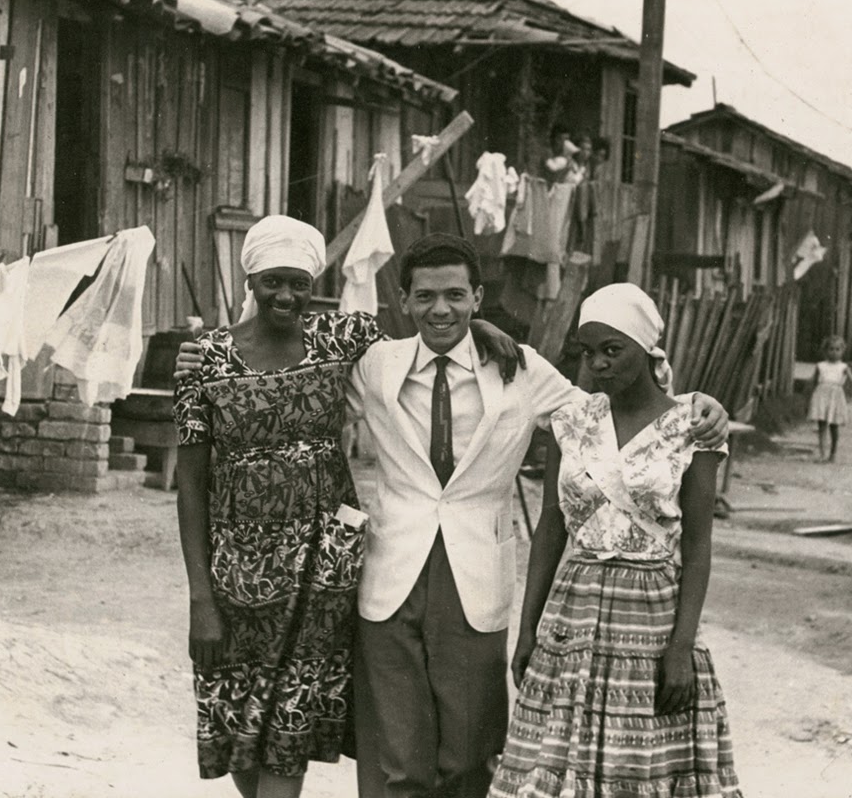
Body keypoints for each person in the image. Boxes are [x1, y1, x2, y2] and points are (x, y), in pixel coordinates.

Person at [174, 233, 730, 798]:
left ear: (477, 297)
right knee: (395, 761)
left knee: (468, 758)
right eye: (426, 297)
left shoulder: (524, 371)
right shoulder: (374, 364)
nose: (441, 309)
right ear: (406, 301)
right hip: (388, 575)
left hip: (476, 576)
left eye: (456, 296)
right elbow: (282, 371)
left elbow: (610, 415)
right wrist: (205, 354)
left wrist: (696, 408)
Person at [171, 218, 520, 797]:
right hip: (236, 574)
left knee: (292, 724)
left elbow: (428, 333)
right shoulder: (203, 361)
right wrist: (200, 597)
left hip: (321, 572)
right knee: (234, 723)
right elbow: (189, 486)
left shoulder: (341, 339)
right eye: (273, 282)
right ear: (251, 279)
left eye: (300, 284)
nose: (286, 296)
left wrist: (476, 324)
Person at [489, 283, 743, 798]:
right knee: (560, 758)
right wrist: (527, 629)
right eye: (588, 353)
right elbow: (550, 528)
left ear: (647, 352)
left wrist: (681, 648)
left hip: (650, 616)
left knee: (639, 761)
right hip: (572, 615)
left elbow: (697, 550)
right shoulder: (571, 423)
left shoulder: (691, 429)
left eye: (613, 350)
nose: (599, 365)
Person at [806, 335, 852, 461]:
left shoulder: (843, 367)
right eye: (831, 349)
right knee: (822, 425)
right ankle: (822, 454)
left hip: (835, 397)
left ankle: (833, 453)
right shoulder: (821, 366)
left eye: (837, 349)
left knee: (834, 426)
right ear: (825, 350)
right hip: (822, 396)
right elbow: (812, 381)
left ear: (842, 351)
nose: (834, 352)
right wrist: (807, 396)